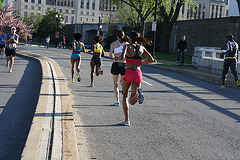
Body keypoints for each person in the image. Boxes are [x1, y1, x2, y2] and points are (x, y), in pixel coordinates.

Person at [118, 31, 155, 126]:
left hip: (129, 72)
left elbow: (122, 57)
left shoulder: (127, 46)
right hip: (138, 73)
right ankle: (137, 96)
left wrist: (121, 56)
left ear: (130, 38)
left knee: (125, 96)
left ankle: (127, 120)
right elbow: (151, 59)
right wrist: (141, 63)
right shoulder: (142, 47)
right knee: (132, 100)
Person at [109, 30, 129, 106]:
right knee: (124, 83)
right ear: (124, 36)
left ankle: (117, 101)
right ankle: (124, 99)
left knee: (115, 83)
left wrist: (115, 57)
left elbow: (110, 55)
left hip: (116, 63)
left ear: (117, 36)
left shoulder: (113, 44)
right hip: (124, 64)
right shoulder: (126, 44)